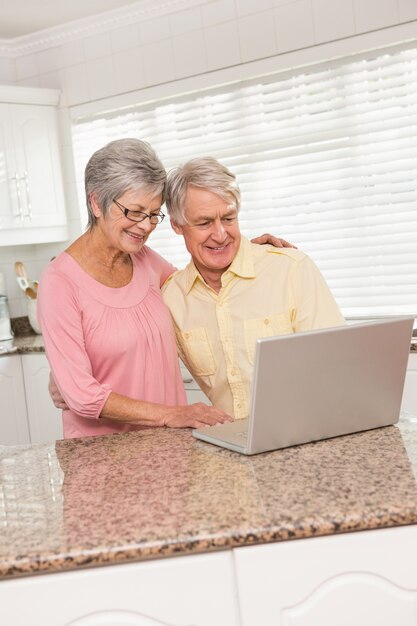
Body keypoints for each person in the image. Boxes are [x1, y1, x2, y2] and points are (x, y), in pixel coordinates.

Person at [39, 139, 290, 439]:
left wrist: (241, 251)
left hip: (168, 450)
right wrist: (173, 414)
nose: (145, 226)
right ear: (96, 203)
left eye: (153, 214)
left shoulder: (145, 261)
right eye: (134, 212)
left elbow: (199, 283)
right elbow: (82, 395)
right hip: (103, 459)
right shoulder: (59, 283)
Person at [161, 157, 346, 421]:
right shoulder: (172, 299)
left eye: (228, 218)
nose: (221, 234)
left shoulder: (291, 269)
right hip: (229, 447)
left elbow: (338, 368)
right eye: (204, 223)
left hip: (307, 434)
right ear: (177, 225)